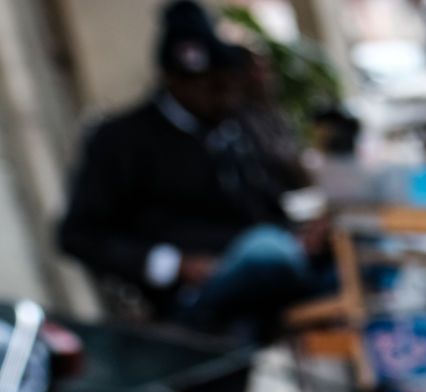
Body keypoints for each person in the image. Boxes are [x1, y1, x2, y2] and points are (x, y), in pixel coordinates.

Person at [57, 2, 325, 336]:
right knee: (266, 255)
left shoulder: (232, 123)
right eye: (209, 86)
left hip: (268, 266)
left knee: (349, 259)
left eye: (227, 84)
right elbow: (79, 234)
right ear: (173, 82)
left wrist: (303, 232)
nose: (222, 96)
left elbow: (274, 193)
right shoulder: (121, 139)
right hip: (189, 294)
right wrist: (174, 265)